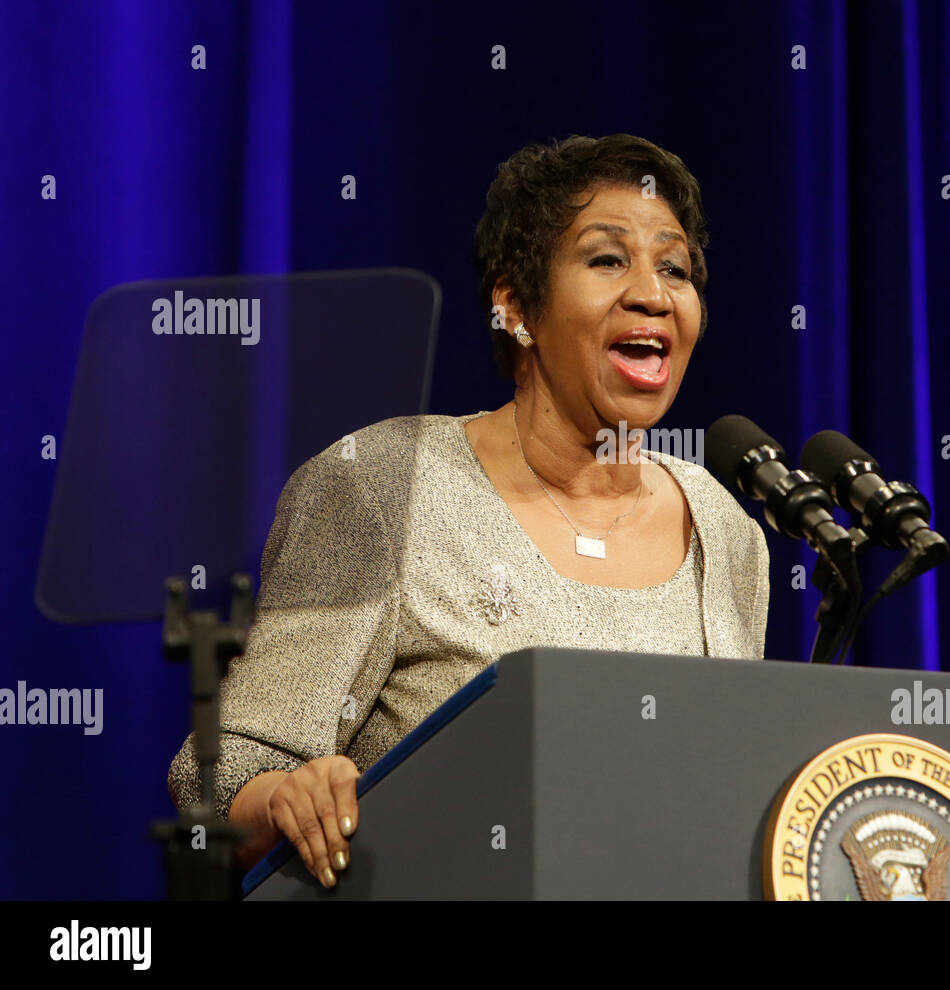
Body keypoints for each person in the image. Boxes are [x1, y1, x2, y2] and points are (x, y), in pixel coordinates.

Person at [167, 134, 770, 889]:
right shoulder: (387, 484)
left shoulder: (722, 528)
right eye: (607, 259)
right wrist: (288, 795)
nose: (653, 293)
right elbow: (220, 775)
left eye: (675, 268)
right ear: (515, 303)